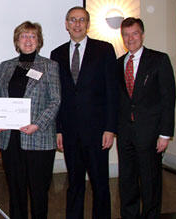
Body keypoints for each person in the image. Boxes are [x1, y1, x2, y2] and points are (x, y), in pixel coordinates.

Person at [50, 7, 119, 219]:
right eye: (73, 20)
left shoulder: (104, 50)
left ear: (87, 24)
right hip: (70, 133)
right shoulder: (57, 54)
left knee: (100, 185)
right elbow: (57, 96)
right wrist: (58, 130)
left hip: (97, 132)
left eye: (82, 20)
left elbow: (112, 92)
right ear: (66, 24)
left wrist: (110, 128)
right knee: (75, 185)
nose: (77, 24)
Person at [0, 21, 60, 219]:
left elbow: (55, 100)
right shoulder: (5, 66)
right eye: (24, 36)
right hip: (10, 140)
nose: (28, 40)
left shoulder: (50, 66)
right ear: (17, 41)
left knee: (39, 194)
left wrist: (37, 124)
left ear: (39, 41)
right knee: (15, 193)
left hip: (38, 139)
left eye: (32, 36)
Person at [117, 17, 176, 218]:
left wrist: (165, 134)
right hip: (125, 134)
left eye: (134, 33)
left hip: (150, 134)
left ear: (142, 34)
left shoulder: (159, 59)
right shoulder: (119, 63)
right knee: (127, 181)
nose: (130, 38)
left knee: (151, 182)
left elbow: (168, 99)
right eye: (126, 34)